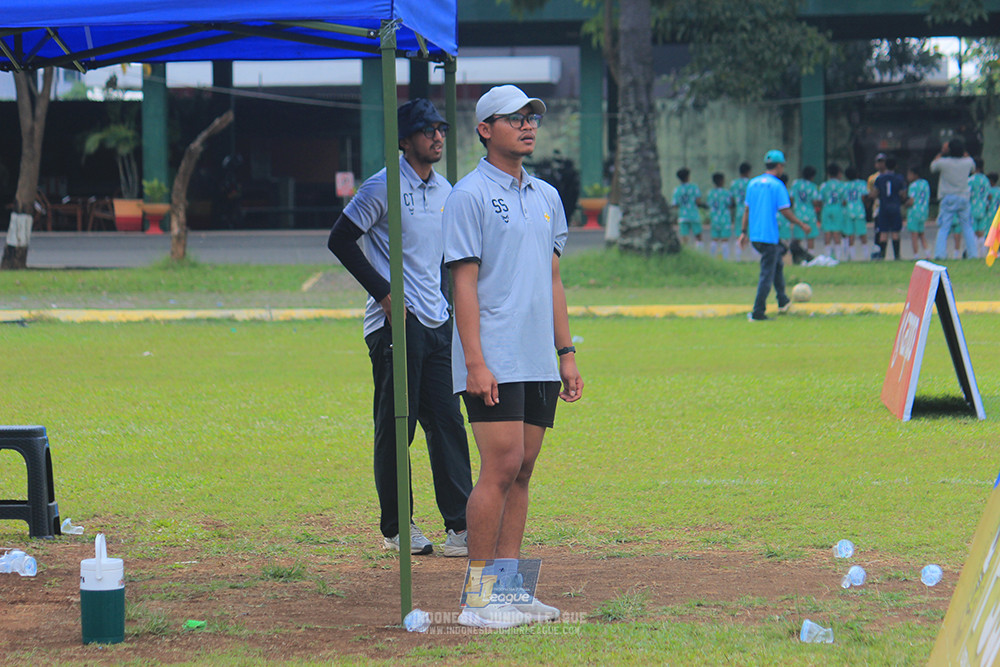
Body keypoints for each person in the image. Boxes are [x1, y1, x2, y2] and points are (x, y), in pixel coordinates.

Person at [442, 84, 584, 629]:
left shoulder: (547, 196)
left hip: (537, 359)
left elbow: (552, 279)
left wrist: (565, 352)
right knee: (499, 467)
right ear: (485, 129)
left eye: (532, 117)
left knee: (523, 470)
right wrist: (475, 362)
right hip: (493, 357)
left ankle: (511, 591)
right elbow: (464, 286)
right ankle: (477, 600)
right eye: (514, 118)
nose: (528, 125)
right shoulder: (469, 195)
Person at [327, 99, 473, 557]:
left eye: (441, 129)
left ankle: (461, 527)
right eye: (428, 130)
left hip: (436, 321)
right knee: (398, 425)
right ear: (406, 140)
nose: (438, 136)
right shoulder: (382, 186)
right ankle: (397, 527)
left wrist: (449, 305)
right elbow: (340, 239)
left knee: (448, 421)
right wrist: (385, 293)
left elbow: (449, 258)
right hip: (395, 324)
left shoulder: (447, 190)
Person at [738, 149, 811, 321]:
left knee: (777, 261)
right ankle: (757, 312)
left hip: (756, 236)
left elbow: (746, 210)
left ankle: (783, 300)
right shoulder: (777, 185)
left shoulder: (752, 183)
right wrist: (801, 224)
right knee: (767, 273)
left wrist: (743, 232)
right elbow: (784, 210)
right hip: (769, 236)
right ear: (779, 166)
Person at [931, 139, 979, 260]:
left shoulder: (943, 162)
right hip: (963, 197)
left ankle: (940, 254)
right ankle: (973, 254)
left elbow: (932, 167)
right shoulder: (968, 162)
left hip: (947, 198)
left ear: (949, 150)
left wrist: (942, 152)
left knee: (944, 227)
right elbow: (973, 168)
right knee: (967, 227)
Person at [872, 157, 907, 260]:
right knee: (895, 232)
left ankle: (882, 255)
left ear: (885, 166)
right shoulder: (899, 178)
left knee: (883, 232)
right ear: (895, 166)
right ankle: (897, 256)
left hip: (883, 207)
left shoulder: (879, 178)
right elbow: (903, 194)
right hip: (895, 207)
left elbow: (875, 193)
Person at [789, 166, 822, 256]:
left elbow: (791, 198)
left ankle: (796, 255)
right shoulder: (813, 186)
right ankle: (810, 256)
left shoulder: (795, 184)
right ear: (812, 176)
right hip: (810, 214)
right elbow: (815, 201)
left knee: (798, 237)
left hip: (798, 214)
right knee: (810, 237)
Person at [671, 168, 706, 251]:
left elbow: (675, 205)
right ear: (688, 177)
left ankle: (685, 252)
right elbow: (698, 201)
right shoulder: (694, 187)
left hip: (683, 216)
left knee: (684, 237)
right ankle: (700, 253)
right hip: (694, 215)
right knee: (698, 236)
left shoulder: (677, 190)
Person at [842, 167, 869, 261]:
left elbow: (844, 201)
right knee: (862, 233)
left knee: (850, 234)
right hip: (859, 210)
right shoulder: (861, 183)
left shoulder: (845, 186)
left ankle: (852, 257)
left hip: (848, 211)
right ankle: (866, 255)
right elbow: (863, 196)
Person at [819, 163, 845, 259]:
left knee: (827, 232)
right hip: (837, 208)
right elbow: (845, 200)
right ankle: (837, 256)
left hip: (827, 209)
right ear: (838, 173)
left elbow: (820, 199)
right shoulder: (841, 186)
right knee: (836, 232)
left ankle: (827, 255)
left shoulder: (824, 185)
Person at [905, 167, 931, 260]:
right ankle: (928, 253)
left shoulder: (913, 186)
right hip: (923, 211)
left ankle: (916, 255)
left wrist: (906, 204)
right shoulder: (925, 184)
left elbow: (911, 201)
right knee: (922, 234)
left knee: (914, 235)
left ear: (915, 174)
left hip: (914, 212)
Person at [707, 172, 734, 259]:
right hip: (724, 218)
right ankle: (725, 259)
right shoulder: (726, 193)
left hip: (714, 218)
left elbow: (708, 204)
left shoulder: (710, 193)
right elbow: (730, 204)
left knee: (714, 239)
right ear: (722, 181)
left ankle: (712, 257)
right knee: (724, 240)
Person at [730, 162, 752, 260]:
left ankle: (738, 258)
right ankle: (752, 258)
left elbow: (732, 200)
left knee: (739, 234)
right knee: (752, 236)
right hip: (750, 212)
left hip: (739, 211)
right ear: (748, 172)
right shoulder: (751, 183)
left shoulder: (734, 184)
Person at [970, 158, 991, 248]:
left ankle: (974, 253)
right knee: (981, 232)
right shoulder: (986, 179)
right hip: (983, 208)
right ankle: (982, 254)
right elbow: (989, 195)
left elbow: (967, 193)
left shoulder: (971, 179)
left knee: (973, 232)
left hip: (972, 208)